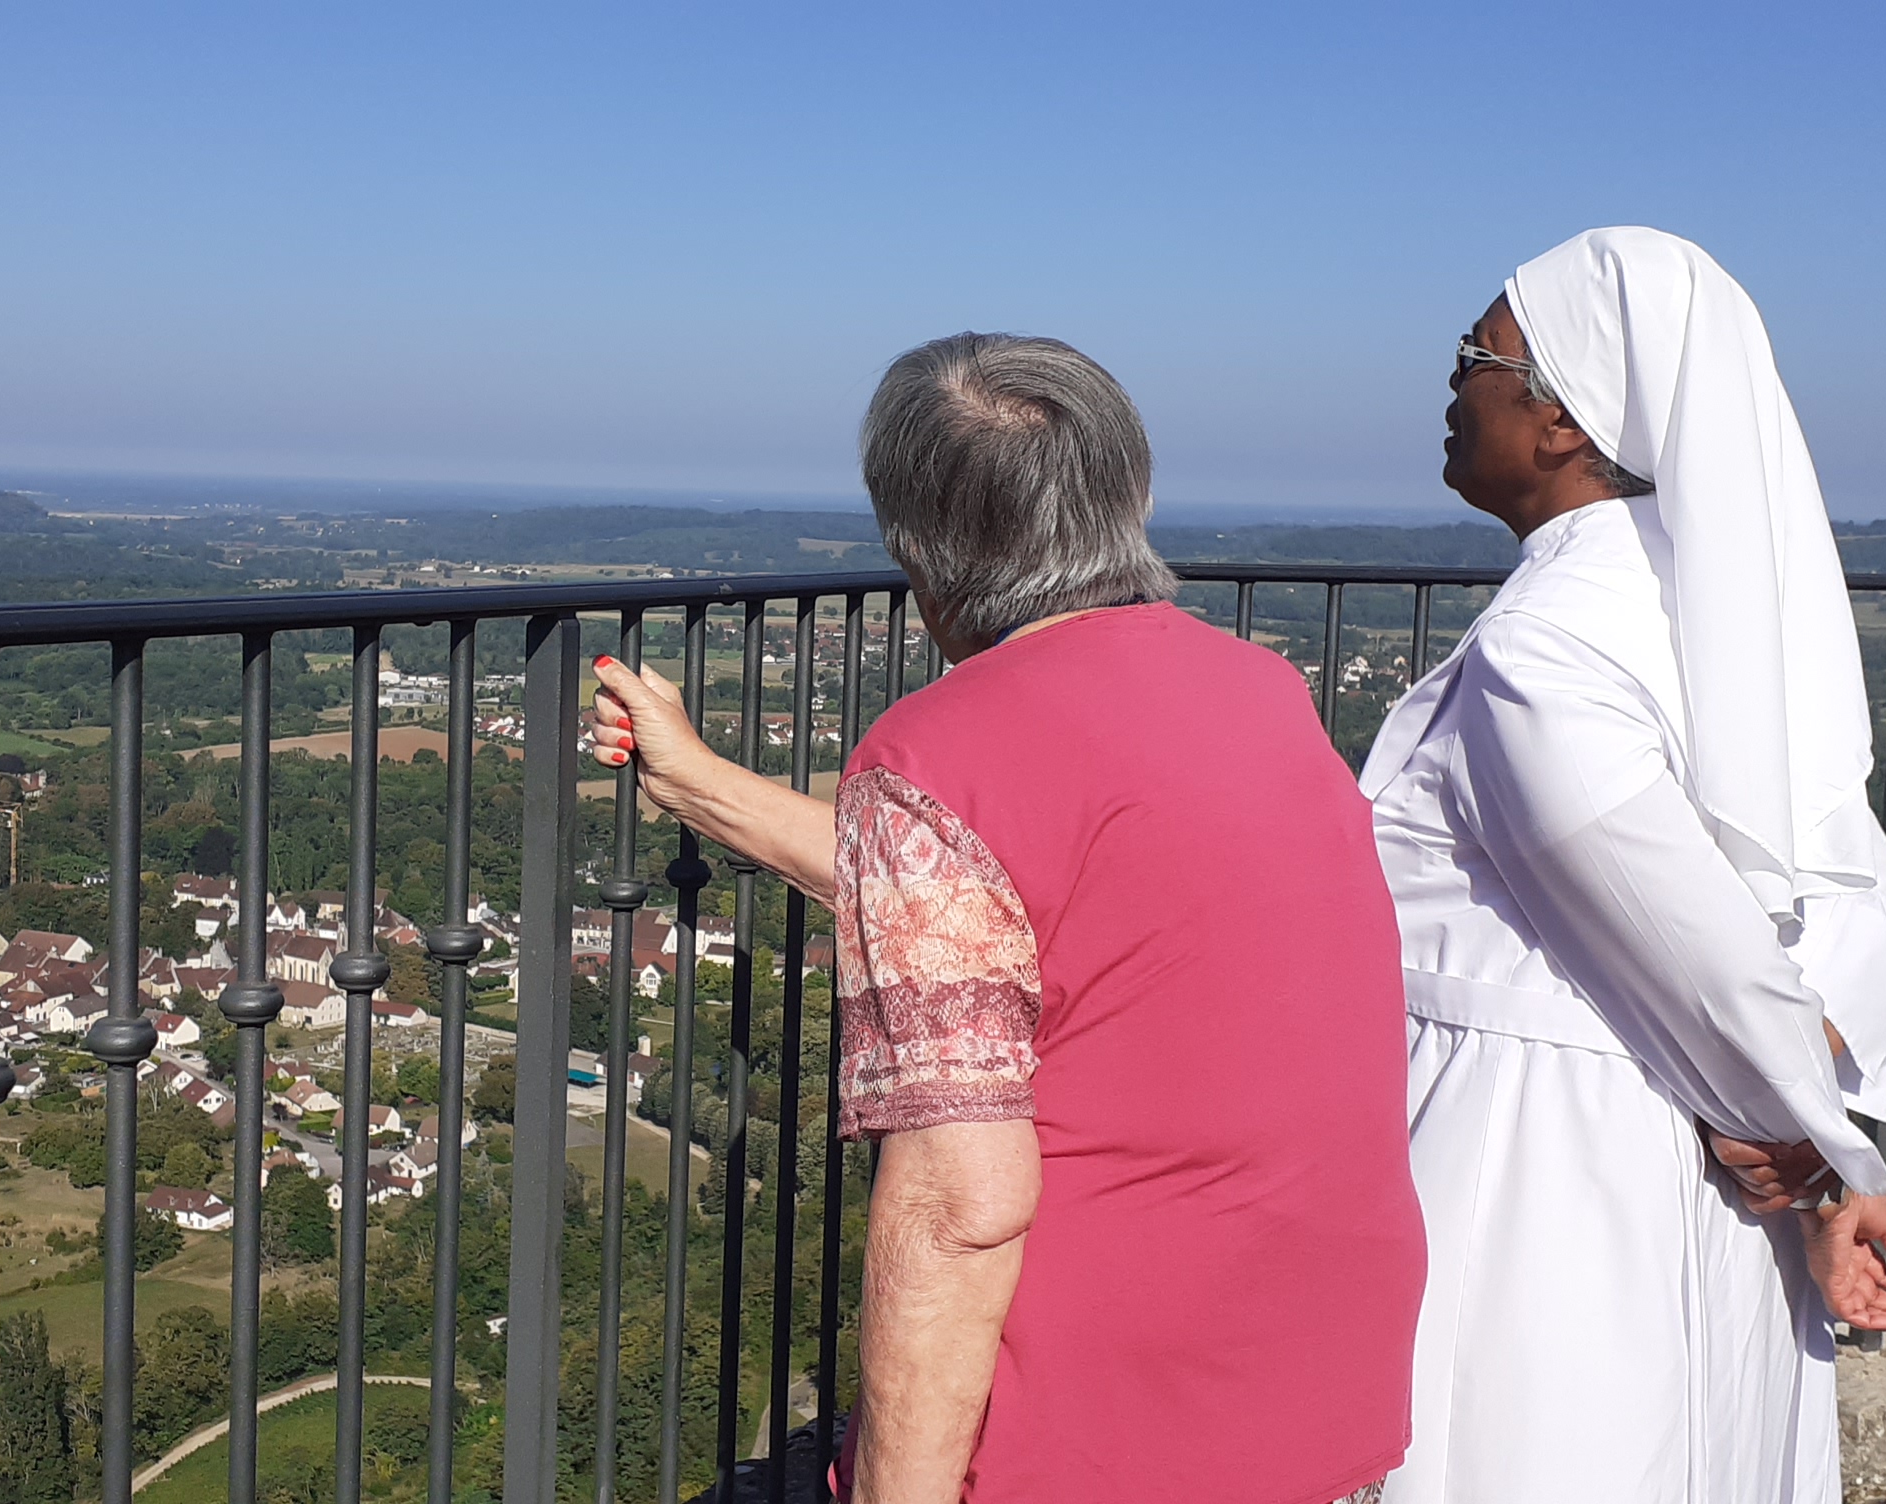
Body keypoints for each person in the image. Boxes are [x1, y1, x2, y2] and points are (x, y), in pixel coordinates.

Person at [591, 332, 1422, 1504]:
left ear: (916, 544)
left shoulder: (940, 758)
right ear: (1125, 500)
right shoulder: (1259, 691)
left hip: (1097, 1429)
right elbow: (1011, 917)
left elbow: (954, 1209)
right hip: (1318, 1382)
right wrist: (701, 787)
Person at [1369, 227, 1886, 1503]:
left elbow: (1676, 935)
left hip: (1551, 1165)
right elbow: (1853, 897)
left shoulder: (1549, 647)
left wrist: (1811, 1144)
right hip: (1723, 1170)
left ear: (1561, 418)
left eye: (1477, 356)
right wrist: (1822, 1143)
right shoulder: (1719, 612)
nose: (1452, 385)